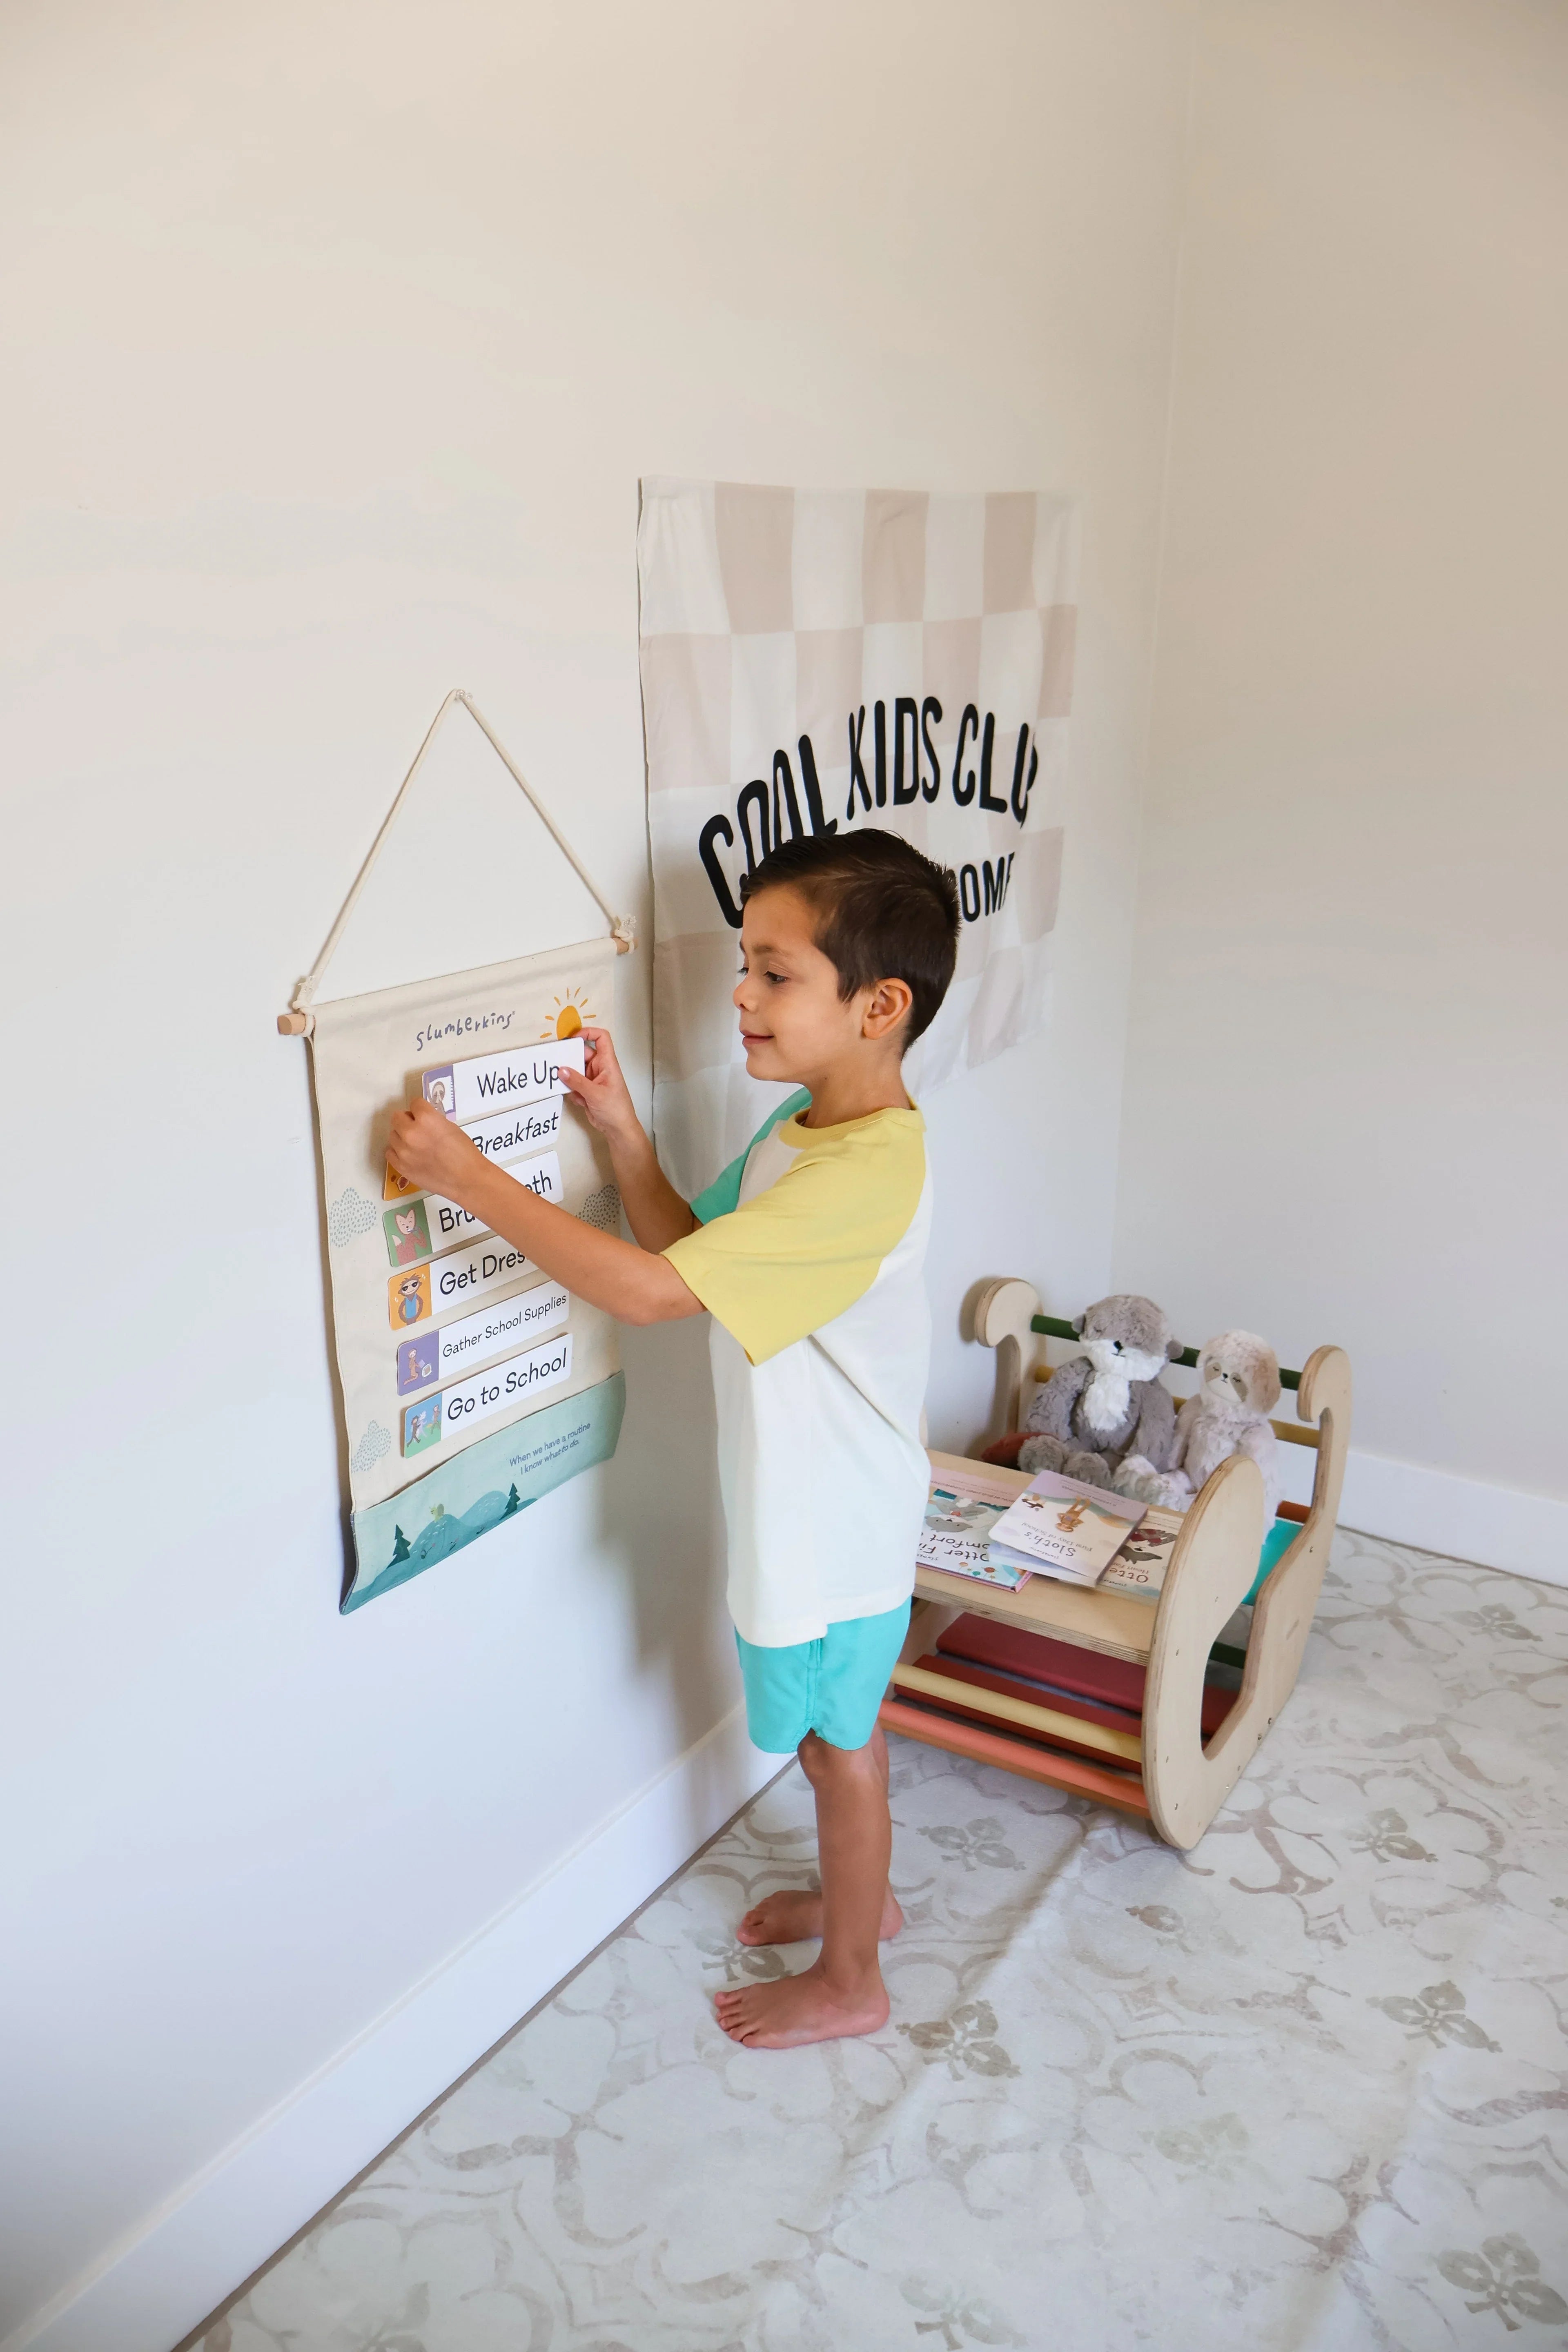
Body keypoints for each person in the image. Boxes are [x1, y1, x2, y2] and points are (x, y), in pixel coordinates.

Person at [387, 828, 960, 2049]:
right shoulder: (812, 1129)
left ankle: (857, 1972)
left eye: (775, 972)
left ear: (880, 1006)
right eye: (744, 966)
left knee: (838, 1745)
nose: (740, 997)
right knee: (827, 1740)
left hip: (839, 1532)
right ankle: (864, 1900)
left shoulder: (864, 1174)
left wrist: (466, 1177)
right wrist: (624, 1139)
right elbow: (685, 1252)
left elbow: (648, 1297)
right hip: (804, 1513)